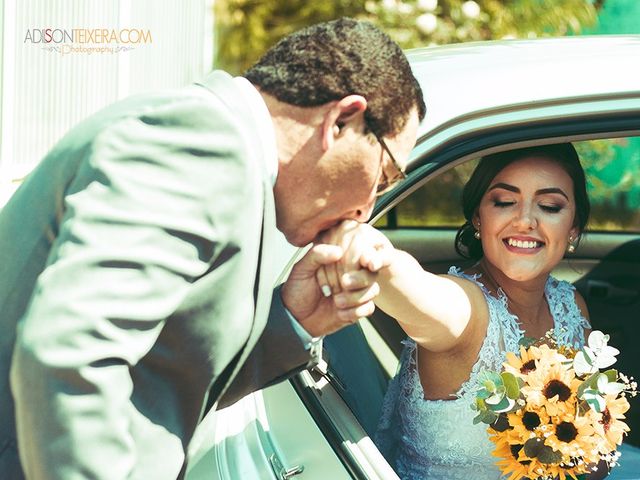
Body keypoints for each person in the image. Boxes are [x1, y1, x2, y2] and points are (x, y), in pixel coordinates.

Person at [0, 18, 425, 479]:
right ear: (342, 120)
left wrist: (294, 321)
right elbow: (72, 353)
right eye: (382, 178)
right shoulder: (204, 140)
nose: (366, 210)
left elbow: (164, 381)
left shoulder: (231, 159)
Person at [319, 143, 610, 479]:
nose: (525, 221)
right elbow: (414, 290)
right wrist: (371, 257)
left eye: (549, 206)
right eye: (504, 202)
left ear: (573, 227)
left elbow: (595, 456)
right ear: (478, 217)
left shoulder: (569, 305)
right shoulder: (465, 308)